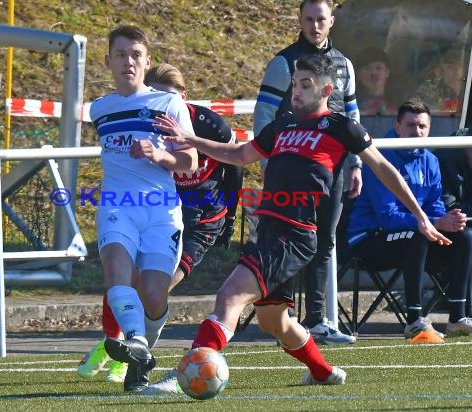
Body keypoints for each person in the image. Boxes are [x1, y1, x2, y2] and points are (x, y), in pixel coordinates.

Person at [145, 54, 449, 394]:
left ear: (327, 90)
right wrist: (193, 141)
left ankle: (183, 373)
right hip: (270, 232)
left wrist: (421, 217)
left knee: (229, 295)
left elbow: (383, 168)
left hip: (294, 233)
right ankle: (322, 371)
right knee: (274, 321)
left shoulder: (340, 126)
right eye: (294, 85)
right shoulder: (283, 125)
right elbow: (240, 155)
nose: (296, 92)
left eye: (305, 85)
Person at [77, 61, 242, 388]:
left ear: (183, 97)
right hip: (159, 209)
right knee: (127, 279)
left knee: (154, 289)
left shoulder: (208, 124)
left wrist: (231, 215)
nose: (161, 110)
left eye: (170, 98)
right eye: (155, 97)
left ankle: (132, 353)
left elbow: (234, 163)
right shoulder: (144, 120)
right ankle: (117, 346)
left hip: (203, 219)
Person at [77, 25, 198, 393]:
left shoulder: (169, 103)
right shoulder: (99, 109)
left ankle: (141, 352)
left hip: (161, 211)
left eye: (135, 55)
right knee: (115, 272)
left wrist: (159, 154)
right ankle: (135, 341)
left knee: (154, 293)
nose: (128, 61)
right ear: (108, 60)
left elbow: (190, 160)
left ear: (147, 61)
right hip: (118, 206)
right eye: (120, 54)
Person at [253, 0, 361, 345]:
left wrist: (356, 164)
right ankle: (279, 316)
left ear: (332, 21)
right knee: (285, 239)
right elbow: (264, 113)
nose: (315, 25)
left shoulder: (345, 64)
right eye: (309, 19)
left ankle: (316, 320)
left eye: (321, 19)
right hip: (291, 165)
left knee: (325, 239)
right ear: (300, 21)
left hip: (334, 166)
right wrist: (268, 161)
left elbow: (354, 114)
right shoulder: (284, 62)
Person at [347, 99, 472, 340]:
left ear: (430, 128)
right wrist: (434, 223)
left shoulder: (431, 160)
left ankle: (457, 318)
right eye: (410, 125)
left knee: (465, 235)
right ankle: (414, 320)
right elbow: (388, 217)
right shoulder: (379, 157)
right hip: (371, 239)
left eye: (422, 126)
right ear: (397, 126)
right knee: (416, 236)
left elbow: (434, 206)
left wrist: (447, 220)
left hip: (416, 237)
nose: (417, 132)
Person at [435, 127, 472, 319]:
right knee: (467, 235)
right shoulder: (444, 158)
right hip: (443, 232)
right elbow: (448, 207)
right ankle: (463, 313)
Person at [417, 49, 465, 113]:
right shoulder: (430, 91)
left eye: (459, 65)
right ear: (439, 72)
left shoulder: (467, 90)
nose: (455, 70)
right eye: (449, 67)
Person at [355, 47, 397, 116]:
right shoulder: (349, 105)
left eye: (378, 68)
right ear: (358, 75)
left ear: (387, 72)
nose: (373, 73)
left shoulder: (399, 104)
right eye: (367, 68)